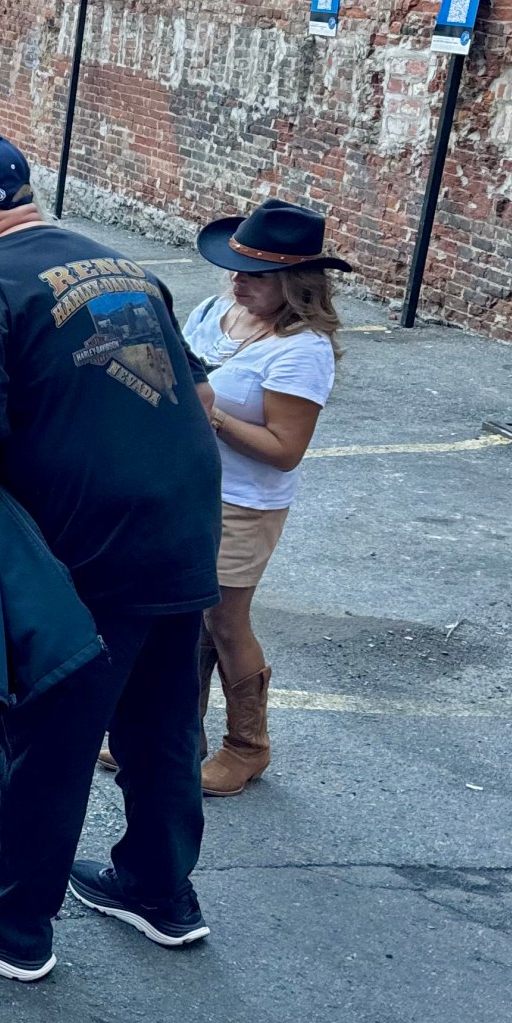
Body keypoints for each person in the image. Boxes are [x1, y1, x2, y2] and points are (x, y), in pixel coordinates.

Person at [0, 132, 220, 982]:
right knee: (161, 728)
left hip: (84, 553)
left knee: (50, 738)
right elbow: (200, 391)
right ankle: (159, 890)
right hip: (181, 533)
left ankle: (12, 924)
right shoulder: (124, 267)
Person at [178, 198, 348, 796]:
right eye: (235, 268)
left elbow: (284, 449)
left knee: (224, 620)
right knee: (178, 612)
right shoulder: (213, 311)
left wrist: (211, 416)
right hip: (187, 486)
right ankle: (179, 735)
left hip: (243, 503)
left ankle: (247, 747)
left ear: (293, 284)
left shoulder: (302, 351)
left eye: (254, 275)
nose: (236, 281)